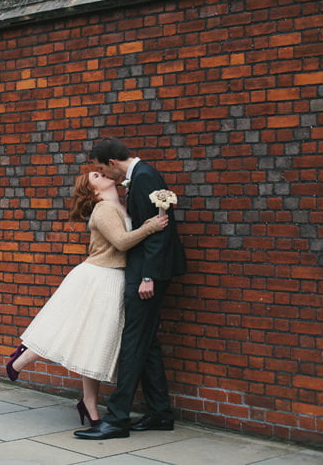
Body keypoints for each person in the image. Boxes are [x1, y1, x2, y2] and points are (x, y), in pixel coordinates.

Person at [6, 169, 168, 427]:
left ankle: (89, 405)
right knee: (70, 330)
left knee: (93, 344)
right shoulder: (104, 209)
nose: (102, 174)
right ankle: (22, 358)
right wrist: (150, 227)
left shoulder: (119, 206)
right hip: (98, 277)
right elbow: (122, 242)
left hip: (113, 278)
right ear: (93, 190)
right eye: (95, 176)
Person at [75, 137, 186, 440]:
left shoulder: (146, 176)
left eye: (100, 168)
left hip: (147, 275)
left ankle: (117, 419)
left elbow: (160, 228)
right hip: (143, 272)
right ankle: (160, 414)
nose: (103, 174)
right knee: (146, 344)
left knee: (133, 344)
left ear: (112, 163)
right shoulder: (139, 177)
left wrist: (148, 276)